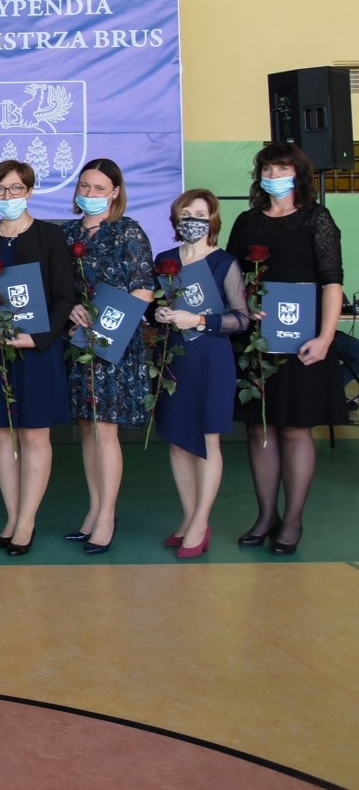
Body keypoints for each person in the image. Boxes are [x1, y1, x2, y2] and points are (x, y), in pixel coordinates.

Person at [226, 142, 345, 556]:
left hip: (304, 342)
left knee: (295, 428)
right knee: (259, 428)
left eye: (282, 169)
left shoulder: (317, 219)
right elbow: (231, 278)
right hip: (256, 343)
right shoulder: (247, 221)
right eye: (267, 169)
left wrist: (326, 338)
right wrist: (244, 307)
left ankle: (292, 520)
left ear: (299, 174)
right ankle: (265, 516)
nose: (274, 176)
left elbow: (332, 282)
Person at [0, 159, 74, 556]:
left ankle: (27, 520)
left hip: (37, 350)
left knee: (33, 434)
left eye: (15, 188)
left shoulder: (50, 236)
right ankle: (11, 517)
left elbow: (64, 297)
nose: (7, 195)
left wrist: (39, 339)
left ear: (29, 191)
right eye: (0, 189)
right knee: (1, 432)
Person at [150, 189, 249, 559]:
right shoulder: (165, 260)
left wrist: (201, 320)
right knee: (178, 440)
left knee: (207, 440)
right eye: (186, 213)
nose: (192, 220)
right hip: (174, 358)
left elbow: (240, 319)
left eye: (200, 214)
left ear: (212, 220)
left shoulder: (224, 263)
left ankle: (200, 522)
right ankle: (189, 517)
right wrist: (158, 314)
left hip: (211, 358)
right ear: (176, 218)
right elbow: (154, 308)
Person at [63, 158, 154, 555]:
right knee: (87, 427)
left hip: (115, 343)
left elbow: (143, 289)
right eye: (85, 186)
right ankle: (94, 509)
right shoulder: (66, 233)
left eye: (99, 188)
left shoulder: (127, 231)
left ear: (115, 192)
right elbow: (60, 289)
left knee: (105, 430)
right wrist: (70, 309)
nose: (90, 194)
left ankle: (106, 516)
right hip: (78, 342)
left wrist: (106, 330)